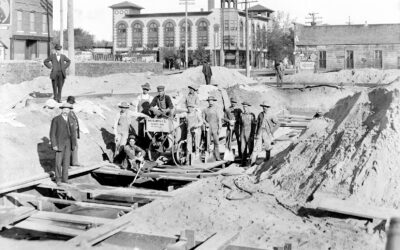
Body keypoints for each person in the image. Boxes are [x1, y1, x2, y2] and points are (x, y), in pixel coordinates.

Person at [50, 102, 76, 185]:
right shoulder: (56, 119)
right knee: (58, 162)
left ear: (69, 110)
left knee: (66, 161)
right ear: (62, 109)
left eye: (68, 109)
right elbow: (52, 133)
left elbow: (73, 133)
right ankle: (58, 179)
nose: (66, 111)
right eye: (64, 109)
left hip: (68, 143)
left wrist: (73, 144)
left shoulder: (72, 119)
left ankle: (65, 179)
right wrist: (54, 144)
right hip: (59, 143)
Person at [202, 96, 221, 161]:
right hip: (208, 128)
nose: (210, 102)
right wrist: (205, 123)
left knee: (216, 142)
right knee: (208, 142)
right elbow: (203, 119)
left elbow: (219, 119)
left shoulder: (216, 109)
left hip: (215, 127)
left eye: (212, 100)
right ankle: (208, 157)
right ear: (208, 102)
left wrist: (220, 128)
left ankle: (217, 157)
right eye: (209, 101)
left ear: (213, 101)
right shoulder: (205, 109)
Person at [240, 101, 256, 166]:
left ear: (248, 107)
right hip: (243, 133)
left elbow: (254, 125)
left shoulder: (252, 115)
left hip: (249, 133)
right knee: (243, 148)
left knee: (250, 148)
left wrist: (252, 134)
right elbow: (241, 124)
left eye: (246, 107)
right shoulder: (241, 115)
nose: (244, 108)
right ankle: (243, 162)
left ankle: (251, 162)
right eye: (243, 106)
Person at [66, 96, 81, 167]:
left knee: (74, 146)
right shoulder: (66, 111)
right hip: (69, 132)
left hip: (73, 132)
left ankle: (74, 162)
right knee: (68, 147)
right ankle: (67, 163)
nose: (72, 105)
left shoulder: (71, 111)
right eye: (71, 103)